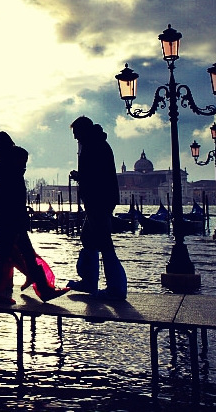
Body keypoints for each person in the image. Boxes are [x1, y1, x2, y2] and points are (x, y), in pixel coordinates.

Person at [0, 132, 68, 304]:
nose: (24, 166)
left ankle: (43, 289)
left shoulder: (5, 168)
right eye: (23, 163)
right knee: (5, 255)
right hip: (12, 218)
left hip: (12, 217)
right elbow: (2, 193)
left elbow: (0, 193)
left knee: (25, 255)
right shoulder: (10, 170)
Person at [68, 116, 127, 300]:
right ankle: (89, 281)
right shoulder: (97, 143)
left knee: (104, 242)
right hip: (100, 198)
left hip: (99, 199)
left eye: (77, 134)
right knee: (88, 237)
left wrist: (79, 176)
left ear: (83, 131)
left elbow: (95, 176)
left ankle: (116, 289)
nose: (76, 139)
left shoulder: (93, 146)